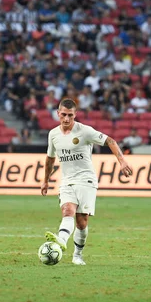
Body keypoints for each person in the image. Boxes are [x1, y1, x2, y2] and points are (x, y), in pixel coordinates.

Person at [41, 98, 133, 266]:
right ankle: (61, 241)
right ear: (58, 114)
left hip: (86, 180)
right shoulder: (53, 134)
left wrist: (122, 161)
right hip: (67, 180)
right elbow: (50, 159)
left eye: (70, 115)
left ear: (75, 115)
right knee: (67, 210)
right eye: (63, 115)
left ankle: (77, 254)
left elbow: (110, 141)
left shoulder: (85, 131)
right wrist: (45, 181)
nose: (66, 119)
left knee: (81, 222)